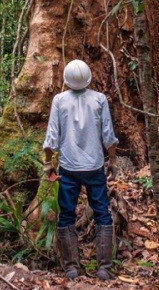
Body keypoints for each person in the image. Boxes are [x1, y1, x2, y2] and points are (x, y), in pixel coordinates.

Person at [43, 59, 119, 281]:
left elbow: (51, 137)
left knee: (66, 214)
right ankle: (104, 267)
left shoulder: (59, 100)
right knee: (102, 213)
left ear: (66, 80)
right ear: (89, 78)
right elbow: (108, 135)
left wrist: (48, 162)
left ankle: (71, 267)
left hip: (68, 167)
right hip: (94, 166)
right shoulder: (99, 99)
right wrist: (112, 160)